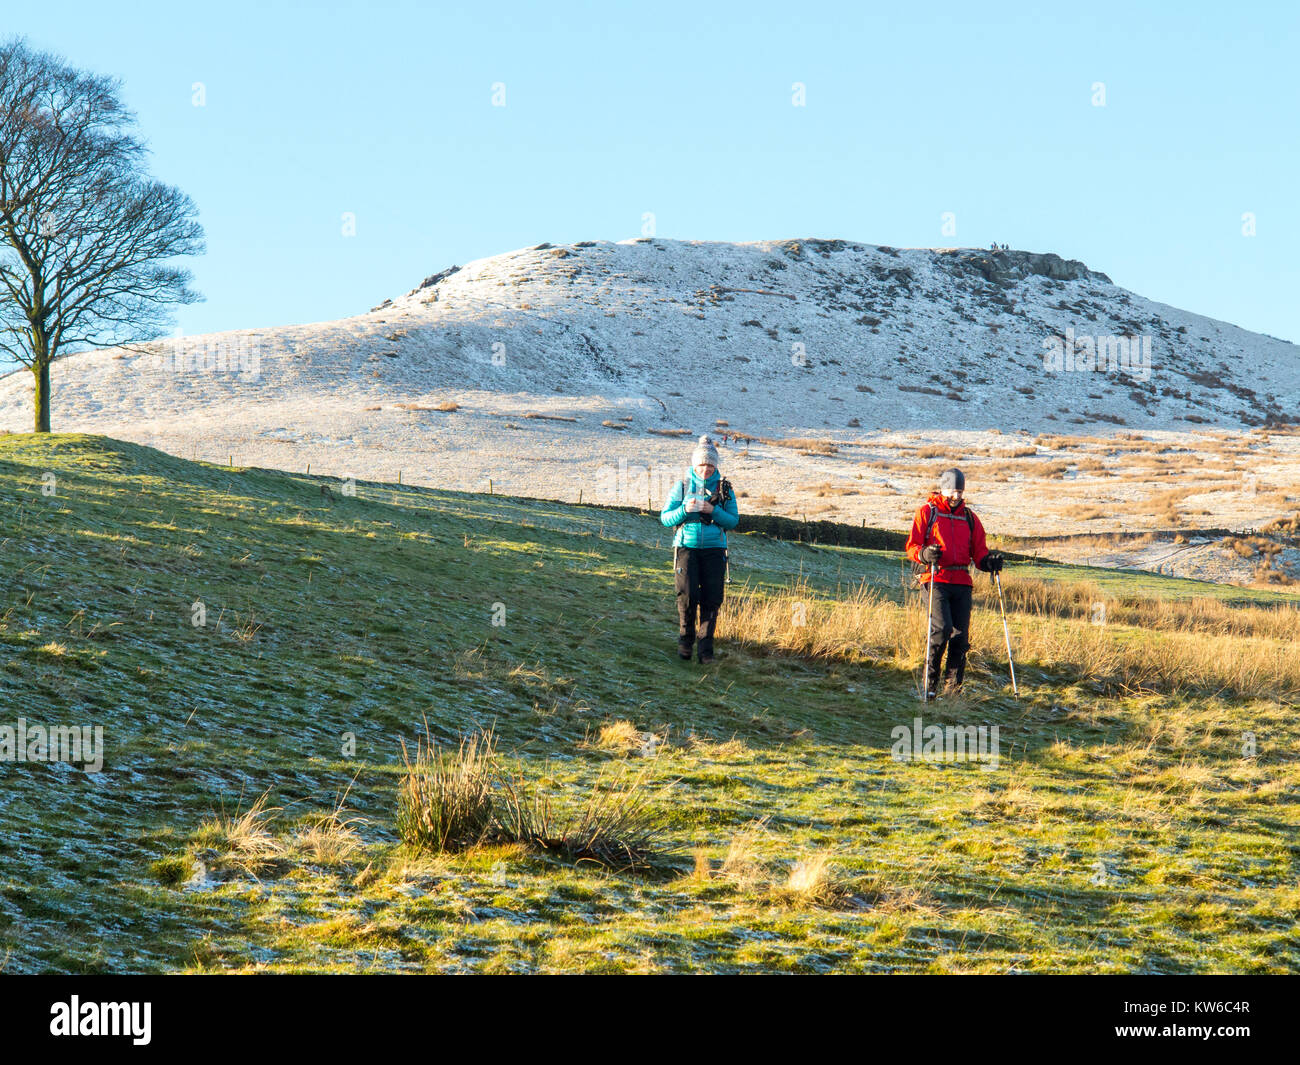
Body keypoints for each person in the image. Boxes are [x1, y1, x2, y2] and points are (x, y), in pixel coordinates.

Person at [904, 468, 1004, 698]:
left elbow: (979, 554)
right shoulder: (927, 513)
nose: (956, 496)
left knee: (960, 638)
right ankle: (930, 685)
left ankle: (953, 690)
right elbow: (912, 547)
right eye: (952, 491)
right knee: (941, 629)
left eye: (960, 491)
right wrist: (925, 554)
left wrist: (989, 563)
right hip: (935, 578)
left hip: (962, 582)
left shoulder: (970, 518)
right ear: (943, 488)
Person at [660, 435, 740, 664]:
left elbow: (733, 521)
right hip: (686, 548)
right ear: (695, 465)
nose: (705, 469)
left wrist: (712, 511)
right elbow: (665, 518)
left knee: (712, 599)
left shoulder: (725, 489)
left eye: (710, 464)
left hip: (715, 550)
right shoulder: (682, 486)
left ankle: (706, 651)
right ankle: (686, 641)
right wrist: (685, 510)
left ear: (715, 465)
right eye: (701, 464)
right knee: (687, 595)